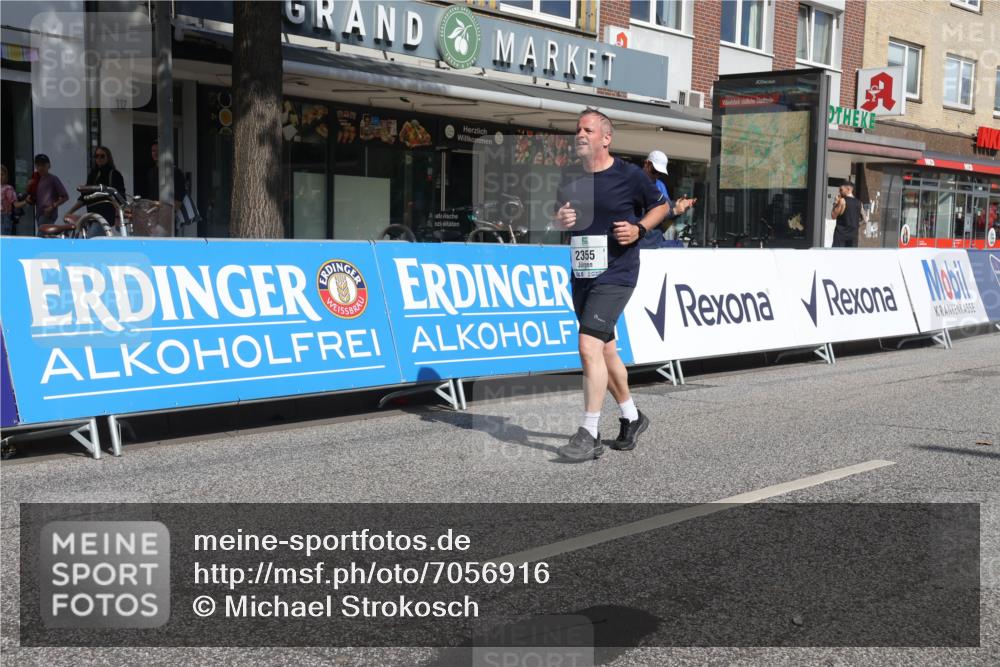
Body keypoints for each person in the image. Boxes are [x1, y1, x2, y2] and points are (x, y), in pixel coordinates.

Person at [553, 109, 669, 461]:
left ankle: (589, 432)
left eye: (588, 130)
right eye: (577, 130)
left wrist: (639, 229)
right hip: (583, 272)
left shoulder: (630, 176)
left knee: (588, 345)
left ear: (606, 138)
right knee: (605, 350)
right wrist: (561, 218)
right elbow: (562, 215)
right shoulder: (570, 176)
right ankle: (632, 417)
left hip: (617, 273)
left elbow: (661, 206)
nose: (580, 135)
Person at [639, 150, 696, 248]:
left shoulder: (659, 185)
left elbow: (665, 220)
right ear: (646, 164)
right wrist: (674, 211)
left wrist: (679, 208)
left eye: (660, 173)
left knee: (680, 246)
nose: (656, 176)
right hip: (643, 244)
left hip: (656, 241)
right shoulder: (635, 184)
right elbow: (648, 215)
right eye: (655, 171)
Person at [63, 146, 126, 230]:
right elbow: (83, 197)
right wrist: (70, 212)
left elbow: (120, 197)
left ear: (108, 158)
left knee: (92, 238)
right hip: (92, 217)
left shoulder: (114, 174)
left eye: (102, 156)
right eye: (96, 156)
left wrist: (118, 217)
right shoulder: (93, 174)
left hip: (106, 218)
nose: (99, 158)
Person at [26, 154, 69, 231]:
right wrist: (28, 196)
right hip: (38, 214)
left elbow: (65, 197)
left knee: (41, 237)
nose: (40, 168)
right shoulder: (35, 179)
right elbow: (33, 197)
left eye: (43, 165)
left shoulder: (53, 179)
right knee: (45, 238)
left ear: (48, 166)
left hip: (48, 215)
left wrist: (52, 207)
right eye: (38, 165)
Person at [831, 180, 862, 248]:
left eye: (841, 190)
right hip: (853, 237)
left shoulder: (842, 201)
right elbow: (865, 219)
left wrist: (835, 202)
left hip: (840, 236)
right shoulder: (859, 203)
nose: (839, 192)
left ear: (848, 189)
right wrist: (854, 225)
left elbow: (833, 215)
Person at [1, 165, 27, 235]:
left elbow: (15, 204)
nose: (0, 177)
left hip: (4, 217)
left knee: (4, 239)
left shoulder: (8, 188)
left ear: (6, 176)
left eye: (2, 174)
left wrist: (26, 201)